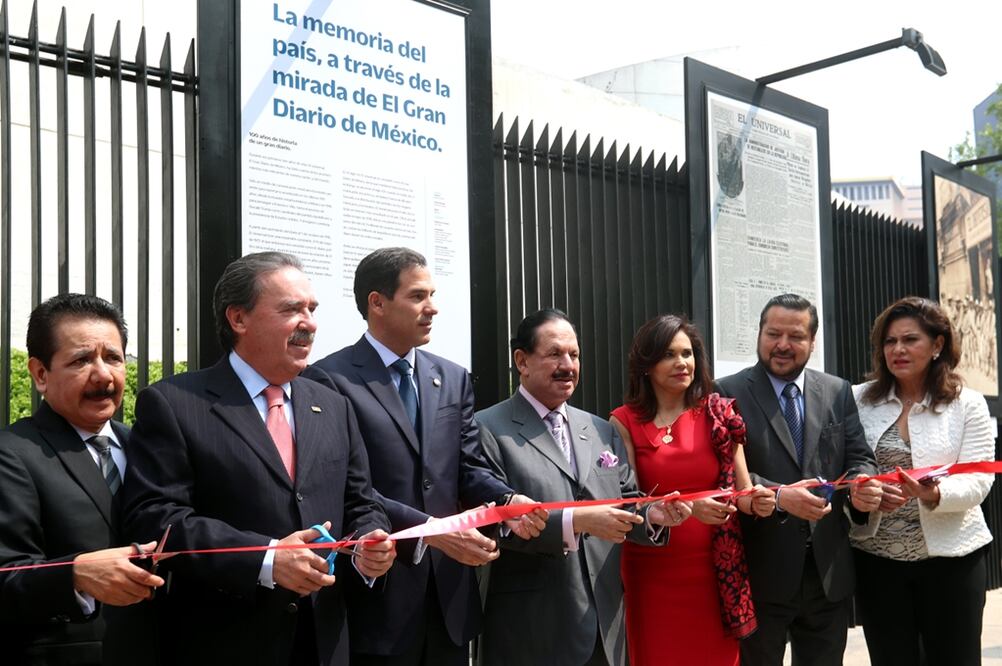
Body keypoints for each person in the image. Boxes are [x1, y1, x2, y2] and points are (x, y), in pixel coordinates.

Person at [121, 252, 396, 666]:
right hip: (227, 641)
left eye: (312, 309)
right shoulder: (174, 404)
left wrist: (370, 544)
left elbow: (361, 501)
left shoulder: (333, 405)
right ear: (238, 318)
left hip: (324, 641)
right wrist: (265, 557)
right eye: (291, 309)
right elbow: (156, 517)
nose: (309, 322)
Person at [305, 247, 545, 666]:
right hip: (376, 598)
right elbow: (342, 484)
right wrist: (425, 529)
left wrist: (507, 502)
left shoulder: (452, 378)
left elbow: (467, 465)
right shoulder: (328, 379)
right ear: (376, 302)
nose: (432, 308)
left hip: (449, 601)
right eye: (417, 296)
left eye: (432, 294)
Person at [475, 308, 688, 666]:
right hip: (531, 630)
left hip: (604, 626)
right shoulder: (487, 429)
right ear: (522, 361)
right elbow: (493, 524)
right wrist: (578, 521)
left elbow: (627, 500)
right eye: (555, 354)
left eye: (574, 355)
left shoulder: (600, 430)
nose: (568, 365)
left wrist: (653, 514)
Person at [715, 293, 883, 666]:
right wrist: (778, 497)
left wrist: (861, 485)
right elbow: (723, 473)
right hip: (761, 573)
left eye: (796, 336)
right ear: (759, 334)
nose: (783, 345)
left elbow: (859, 457)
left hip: (827, 573)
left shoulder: (838, 391)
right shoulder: (726, 392)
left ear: (812, 341)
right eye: (773, 333)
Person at [0, 293, 164, 666]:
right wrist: (74, 575)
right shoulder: (13, 454)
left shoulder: (149, 447)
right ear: (41, 374)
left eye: (113, 358)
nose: (103, 374)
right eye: (81, 360)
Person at [609, 315, 775, 666]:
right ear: (647, 364)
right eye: (669, 354)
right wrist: (690, 508)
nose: (682, 362)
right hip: (650, 572)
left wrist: (761, 501)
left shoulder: (719, 413)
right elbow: (628, 502)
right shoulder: (623, 420)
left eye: (688, 353)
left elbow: (742, 493)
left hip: (715, 573)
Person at [850, 296, 995, 666]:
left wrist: (936, 494)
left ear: (938, 345)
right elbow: (846, 466)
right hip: (878, 561)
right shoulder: (857, 400)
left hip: (952, 560)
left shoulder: (968, 404)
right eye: (889, 341)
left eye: (910, 339)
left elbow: (979, 479)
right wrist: (859, 494)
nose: (897, 349)